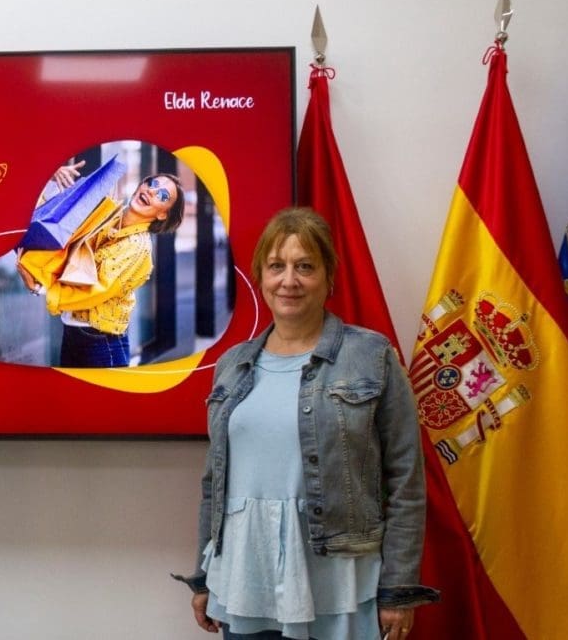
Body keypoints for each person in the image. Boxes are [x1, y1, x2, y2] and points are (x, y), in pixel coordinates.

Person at [176, 207, 437, 639]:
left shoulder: (371, 356)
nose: (289, 281)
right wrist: (204, 578)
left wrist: (398, 589)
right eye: (276, 266)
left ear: (328, 277)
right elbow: (213, 483)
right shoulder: (232, 366)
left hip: (338, 582)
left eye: (305, 267)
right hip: (243, 579)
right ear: (260, 277)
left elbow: (406, 480)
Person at [16, 164, 185, 367]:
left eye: (162, 195)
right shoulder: (108, 213)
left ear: (163, 215)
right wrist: (50, 177)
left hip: (102, 345)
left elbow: (96, 291)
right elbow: (60, 216)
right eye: (152, 183)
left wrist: (42, 289)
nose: (151, 190)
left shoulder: (137, 247)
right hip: (74, 333)